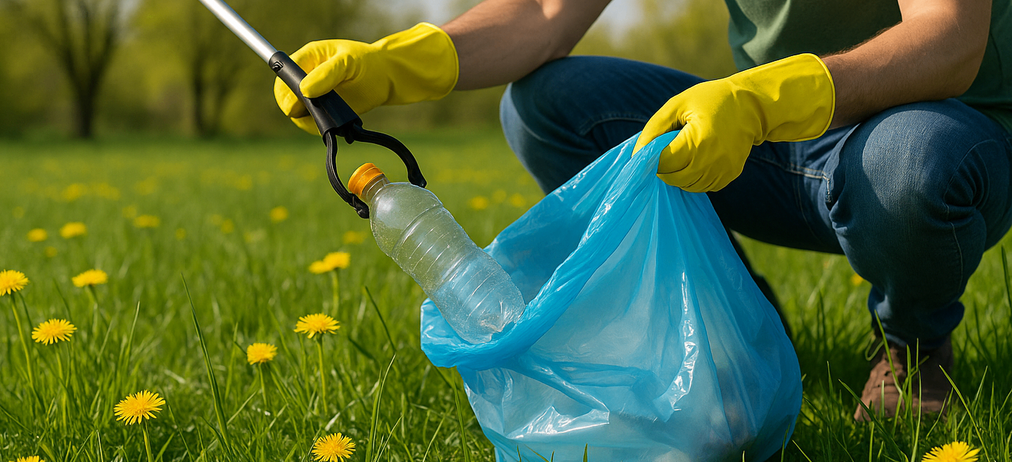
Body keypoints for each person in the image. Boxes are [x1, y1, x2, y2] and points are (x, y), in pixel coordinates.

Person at [274, 0, 1012, 422]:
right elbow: (541, 13)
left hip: (933, 137)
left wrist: (762, 98)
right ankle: (736, 327)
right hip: (773, 138)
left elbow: (949, 40)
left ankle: (913, 353)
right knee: (548, 105)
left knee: (915, 162)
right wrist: (396, 63)